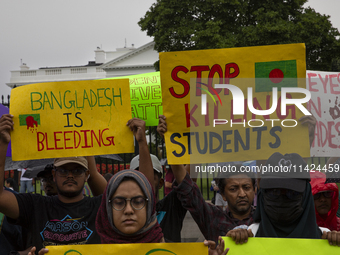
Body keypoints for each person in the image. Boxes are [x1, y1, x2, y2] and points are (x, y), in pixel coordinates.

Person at [157, 115, 255, 244]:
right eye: (233, 189)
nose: (242, 194)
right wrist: (170, 143)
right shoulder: (213, 218)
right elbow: (187, 187)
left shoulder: (266, 217)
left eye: (246, 187)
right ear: (223, 195)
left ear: (254, 190)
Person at [227, 152, 340, 246]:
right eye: (274, 192)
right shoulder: (244, 237)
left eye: (292, 192)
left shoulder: (327, 239)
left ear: (306, 197)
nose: (282, 198)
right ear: (262, 194)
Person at [130, 154, 187, 242]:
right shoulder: (126, 212)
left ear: (160, 183)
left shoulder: (171, 205)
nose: (143, 182)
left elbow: (187, 184)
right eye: (138, 177)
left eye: (149, 177)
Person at [95, 169, 164, 243]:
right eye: (119, 203)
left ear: (150, 206)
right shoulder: (90, 249)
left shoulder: (168, 251)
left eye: (138, 202)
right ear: (107, 208)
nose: (128, 210)